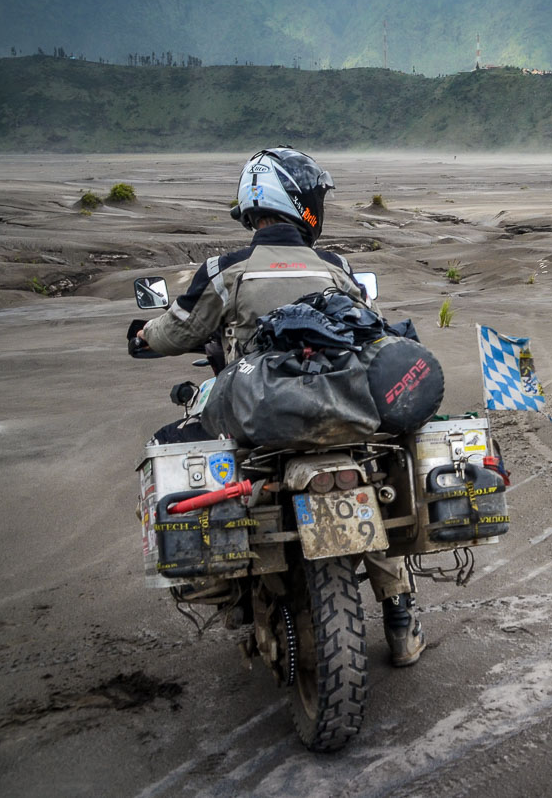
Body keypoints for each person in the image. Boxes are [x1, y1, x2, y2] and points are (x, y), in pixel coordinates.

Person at [135, 147, 425, 667]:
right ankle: (400, 615)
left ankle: (229, 593)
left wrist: (143, 335)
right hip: (342, 412)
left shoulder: (227, 270)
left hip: (260, 420)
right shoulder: (335, 267)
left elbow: (177, 329)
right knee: (369, 483)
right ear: (297, 201)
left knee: (194, 455)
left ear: (255, 202)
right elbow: (371, 327)